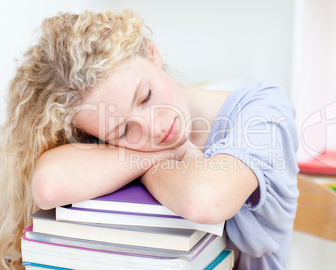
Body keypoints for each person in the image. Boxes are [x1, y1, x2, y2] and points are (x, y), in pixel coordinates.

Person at [0, 10, 299, 270]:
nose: (153, 129)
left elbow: (205, 201)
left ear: (153, 55)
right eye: (123, 130)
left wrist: (143, 163)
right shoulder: (120, 136)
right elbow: (48, 184)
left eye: (146, 96)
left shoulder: (265, 111)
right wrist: (158, 157)